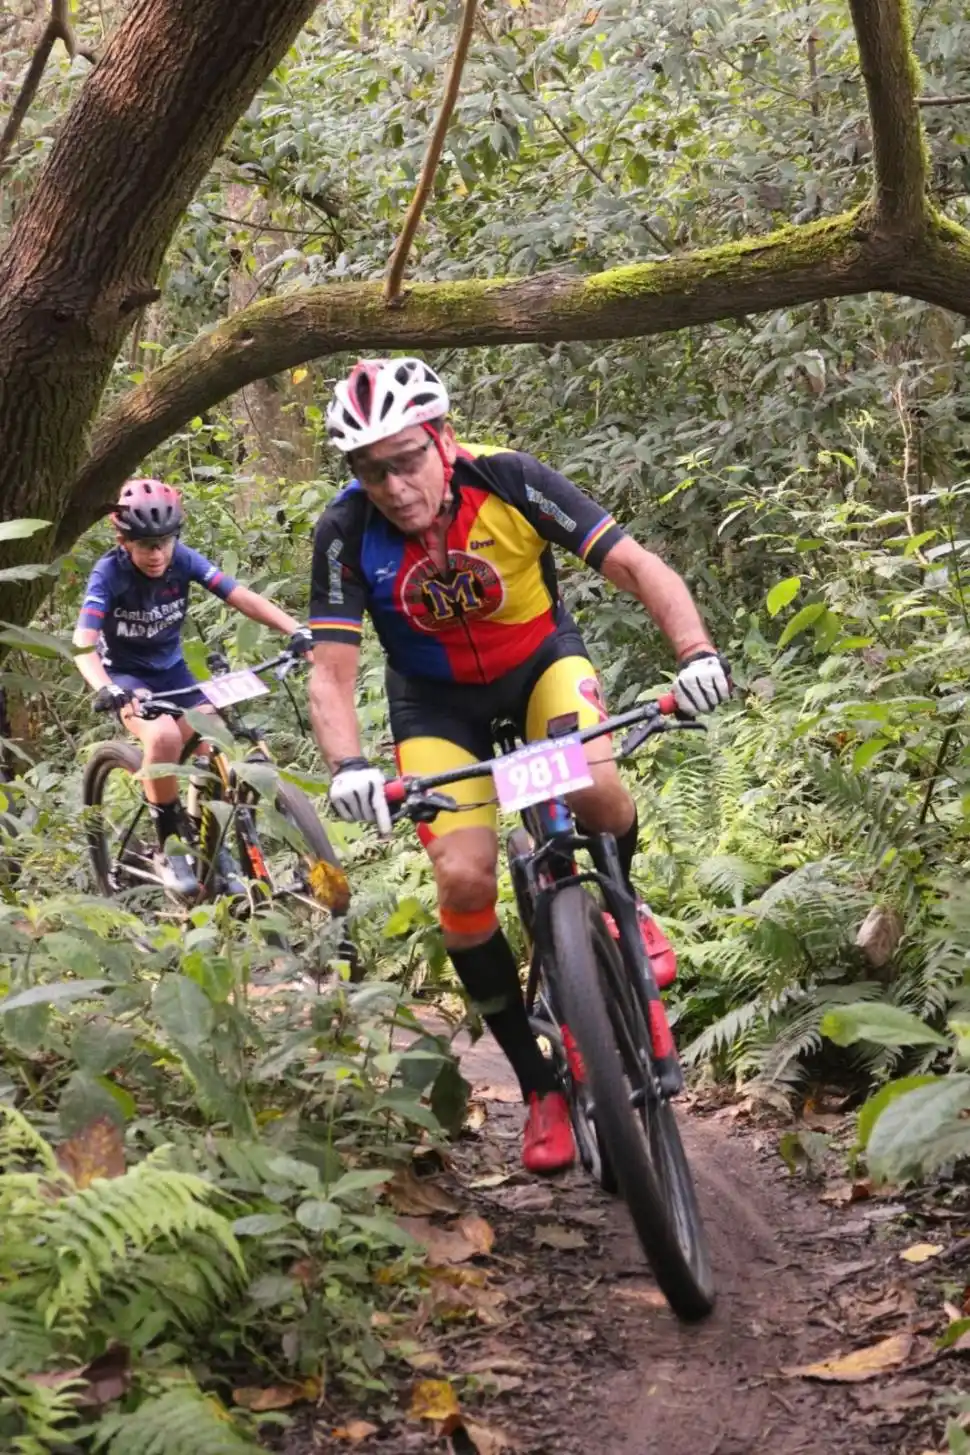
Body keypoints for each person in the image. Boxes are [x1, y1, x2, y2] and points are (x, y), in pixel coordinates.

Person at [308, 359, 730, 1174]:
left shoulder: (509, 479)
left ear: (443, 438)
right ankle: (540, 1086)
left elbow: (636, 564)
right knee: (462, 881)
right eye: (371, 469)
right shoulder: (345, 530)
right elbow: (330, 672)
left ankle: (625, 899)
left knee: (590, 783)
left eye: (406, 459)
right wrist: (349, 763)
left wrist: (696, 651)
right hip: (436, 707)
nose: (393, 486)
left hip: (539, 668)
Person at [74, 478, 311, 896]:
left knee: (212, 741)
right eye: (146, 545)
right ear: (124, 542)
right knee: (164, 736)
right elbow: (83, 641)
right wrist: (105, 687)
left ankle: (210, 846)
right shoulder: (109, 573)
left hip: (173, 672)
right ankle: (169, 841)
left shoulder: (182, 559)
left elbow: (239, 596)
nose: (157, 554)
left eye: (165, 543)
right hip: (126, 677)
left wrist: (296, 629)